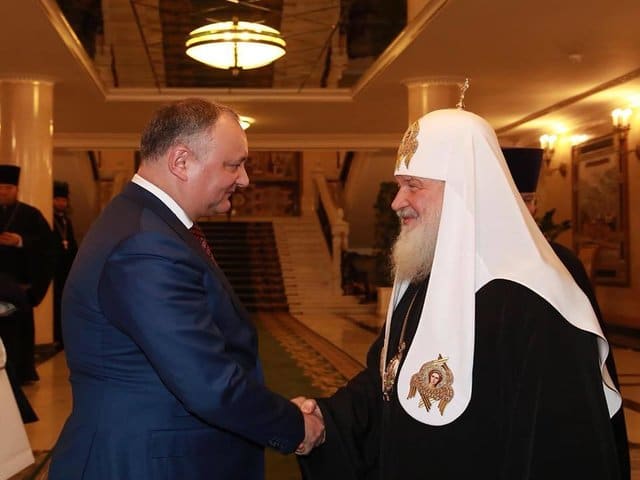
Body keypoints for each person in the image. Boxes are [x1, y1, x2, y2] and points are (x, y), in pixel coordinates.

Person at [296, 109, 623, 479]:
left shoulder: (534, 302)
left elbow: (563, 450)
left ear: (463, 190)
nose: (397, 202)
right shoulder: (423, 279)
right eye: (399, 185)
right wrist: (327, 420)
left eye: (413, 185)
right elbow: (388, 379)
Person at [48, 98, 324, 480]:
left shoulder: (147, 223)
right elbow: (208, 383)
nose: (244, 179)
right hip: (143, 463)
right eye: (233, 164)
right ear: (181, 161)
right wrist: (294, 425)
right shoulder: (145, 244)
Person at [502, 146, 630, 479]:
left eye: (531, 200)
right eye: (518, 201)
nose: (529, 210)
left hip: (560, 405)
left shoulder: (562, 262)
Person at [0, 164, 56, 385]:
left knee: (18, 336)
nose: (3, 192)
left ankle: (21, 373)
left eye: (8, 187)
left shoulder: (31, 215)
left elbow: (48, 247)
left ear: (16, 189)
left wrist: (20, 241)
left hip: (18, 291)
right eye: (0, 187)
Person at [52, 180, 78, 349]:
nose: (61, 203)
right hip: (55, 269)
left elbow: (72, 244)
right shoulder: (49, 219)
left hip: (67, 268)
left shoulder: (66, 221)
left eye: (64, 200)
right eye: (57, 200)